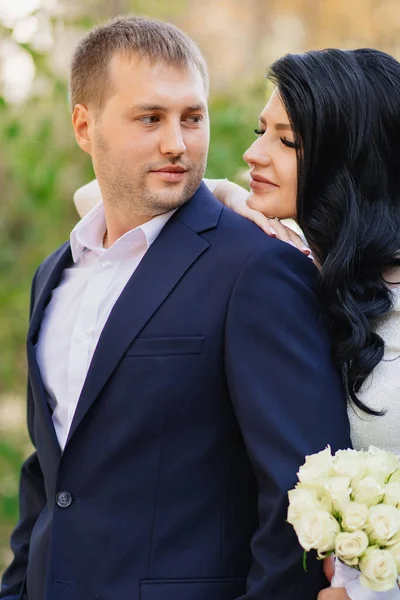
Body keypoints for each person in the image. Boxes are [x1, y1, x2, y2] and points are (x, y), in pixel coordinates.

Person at [0, 18, 352, 600]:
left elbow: (302, 493)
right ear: (85, 127)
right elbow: (52, 471)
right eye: (150, 118)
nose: (178, 143)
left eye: (193, 117)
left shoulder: (258, 267)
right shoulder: (52, 276)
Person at [74, 46, 400, 600]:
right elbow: (99, 199)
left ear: (353, 160)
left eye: (286, 141)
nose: (253, 153)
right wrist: (225, 196)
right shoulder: (293, 265)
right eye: (260, 130)